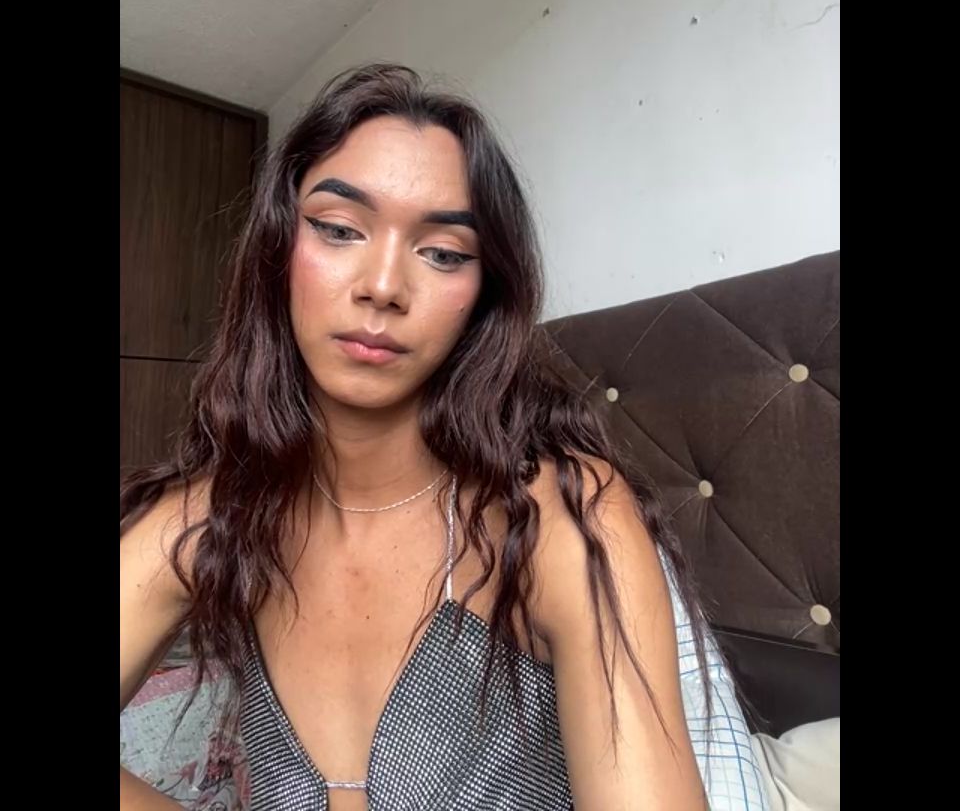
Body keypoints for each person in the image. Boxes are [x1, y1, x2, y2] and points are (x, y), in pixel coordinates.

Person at [121, 63, 765, 810]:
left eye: (444, 253)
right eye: (338, 229)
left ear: (482, 297)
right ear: (277, 251)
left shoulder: (562, 516)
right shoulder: (214, 513)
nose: (383, 286)